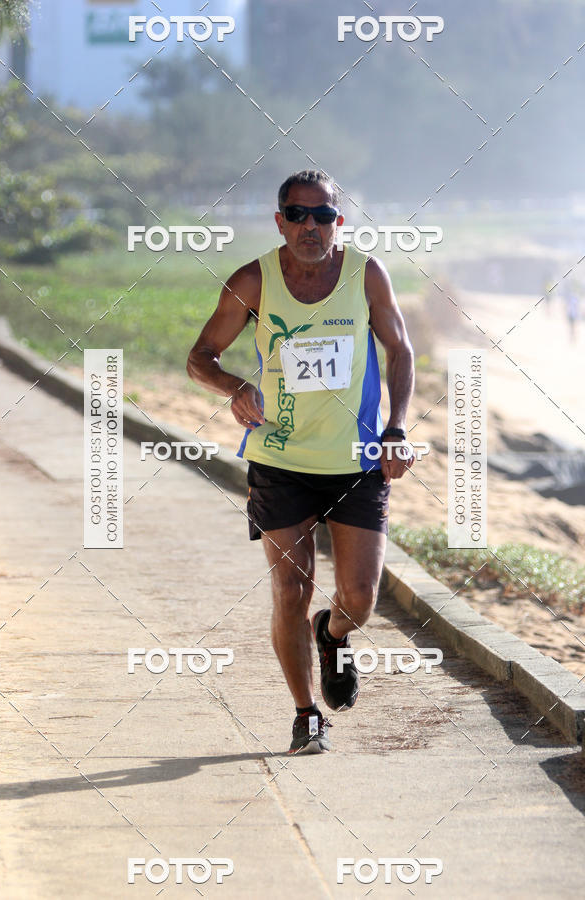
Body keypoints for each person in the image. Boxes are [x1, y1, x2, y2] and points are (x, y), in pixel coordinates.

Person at [187, 170, 415, 754]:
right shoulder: (253, 281)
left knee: (359, 598)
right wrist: (234, 385)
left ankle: (332, 633)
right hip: (280, 459)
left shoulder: (366, 275)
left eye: (323, 216)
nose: (310, 226)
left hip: (356, 461)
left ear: (340, 221)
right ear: (279, 220)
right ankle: (307, 713)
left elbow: (400, 350)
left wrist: (395, 429)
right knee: (291, 589)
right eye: (297, 214)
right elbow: (200, 357)